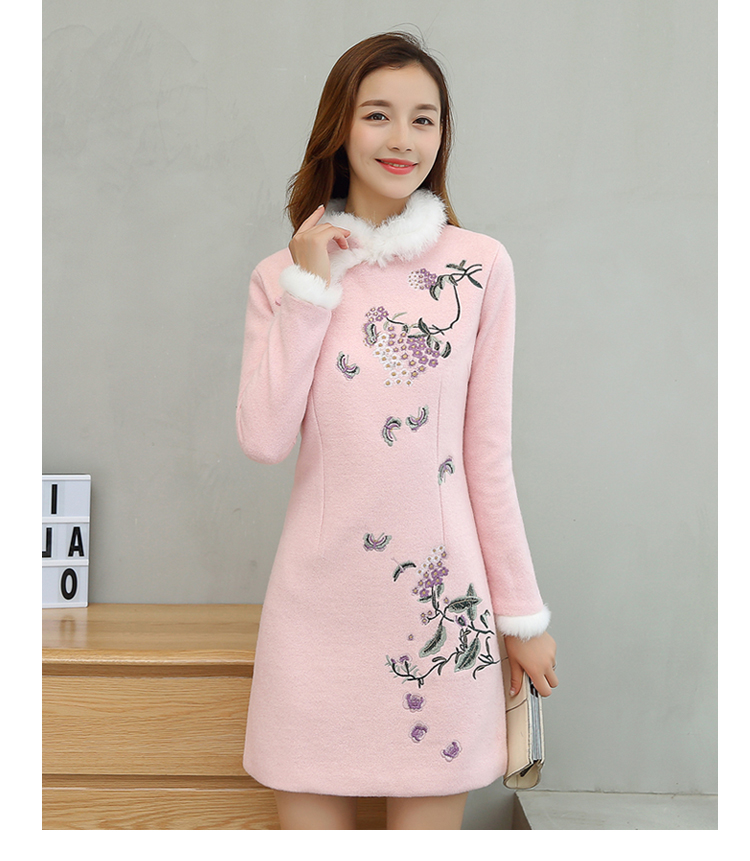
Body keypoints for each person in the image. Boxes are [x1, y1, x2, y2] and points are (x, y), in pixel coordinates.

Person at [236, 30, 558, 830]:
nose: (403, 139)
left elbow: (487, 460)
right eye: (378, 114)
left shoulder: (479, 268)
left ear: (443, 135)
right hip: (315, 619)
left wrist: (521, 616)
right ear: (340, 127)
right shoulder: (281, 277)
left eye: (425, 119)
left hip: (439, 618)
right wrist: (311, 288)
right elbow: (264, 438)